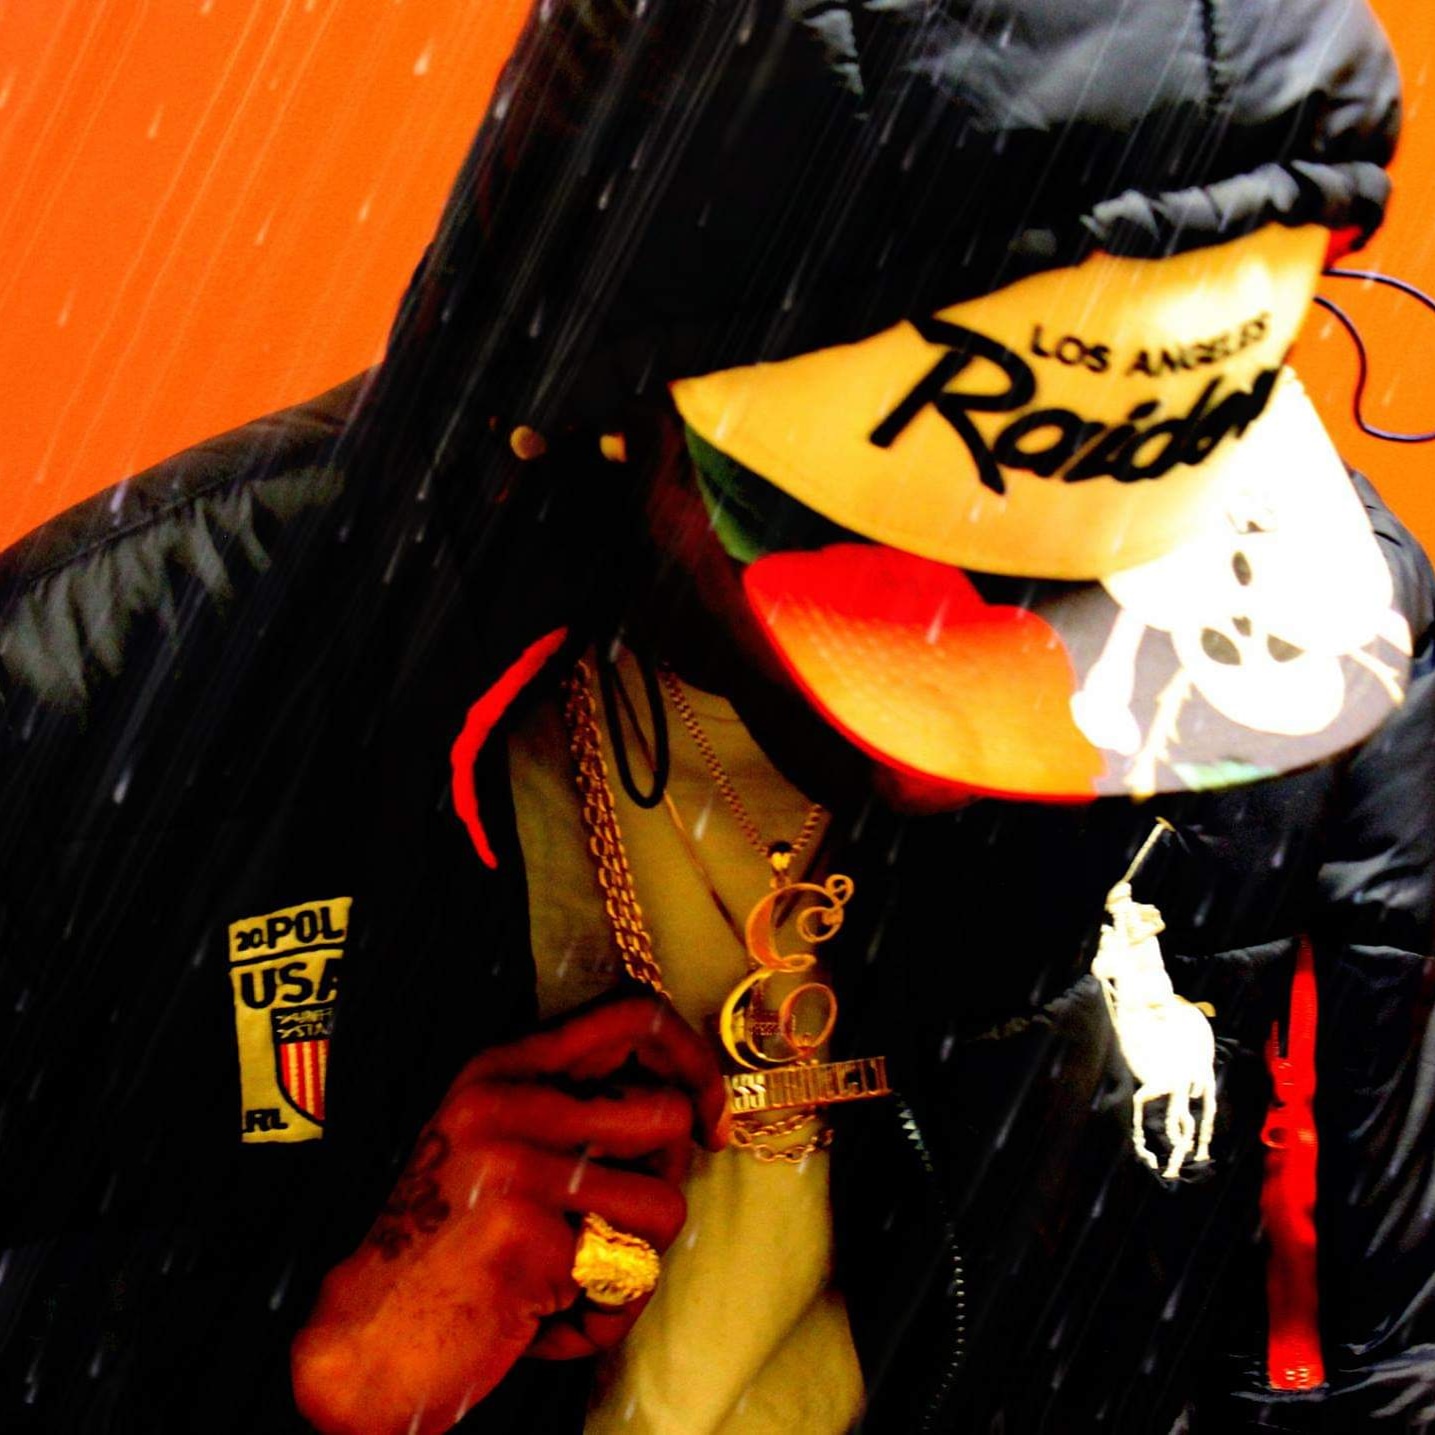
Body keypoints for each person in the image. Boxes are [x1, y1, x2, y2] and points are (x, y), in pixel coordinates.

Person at [3, 1, 1434, 1431]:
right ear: (635, 403)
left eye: (1097, 615)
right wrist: (312, 1379)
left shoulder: (1317, 672)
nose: (956, 768)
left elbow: (1373, 1369)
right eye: (896, 604)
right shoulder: (125, 701)